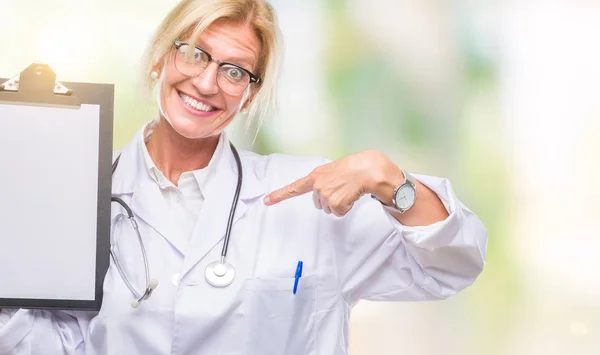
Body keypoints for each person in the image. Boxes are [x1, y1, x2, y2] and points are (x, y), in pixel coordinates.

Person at [0, 0, 488, 354]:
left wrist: (387, 179)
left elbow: (451, 265)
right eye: (194, 53)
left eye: (235, 72)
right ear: (160, 58)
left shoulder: (312, 196)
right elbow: (45, 341)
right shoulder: (79, 193)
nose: (208, 82)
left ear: (249, 95)